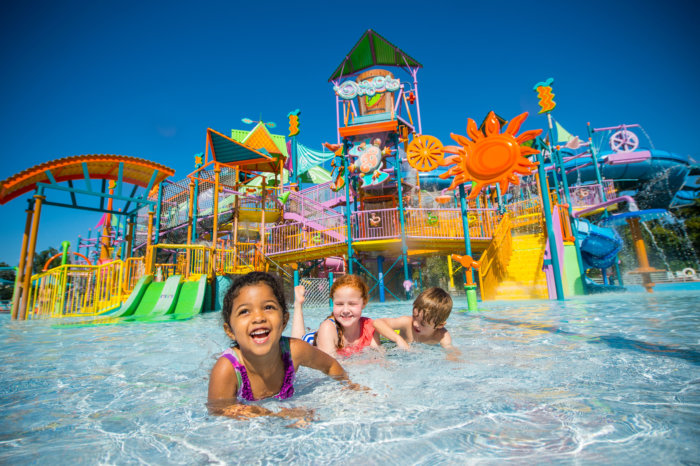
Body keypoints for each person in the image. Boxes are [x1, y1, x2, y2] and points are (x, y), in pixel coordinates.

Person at [208, 272, 359, 422]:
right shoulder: (227, 369)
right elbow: (219, 409)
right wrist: (277, 415)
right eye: (244, 311)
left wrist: (349, 386)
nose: (258, 318)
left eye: (268, 307)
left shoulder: (295, 351)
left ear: (284, 320)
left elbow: (330, 365)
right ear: (230, 331)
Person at [291, 274, 380, 357]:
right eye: (339, 304)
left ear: (364, 303)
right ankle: (298, 304)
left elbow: (378, 358)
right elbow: (330, 366)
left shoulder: (370, 327)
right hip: (311, 342)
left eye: (352, 304)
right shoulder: (327, 329)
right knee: (296, 346)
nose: (345, 310)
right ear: (333, 303)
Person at [372, 287, 459, 356]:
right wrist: (398, 339)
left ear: (439, 325)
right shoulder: (406, 323)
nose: (415, 324)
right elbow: (377, 322)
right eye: (414, 316)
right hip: (391, 345)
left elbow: (450, 351)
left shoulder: (442, 335)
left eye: (423, 323)